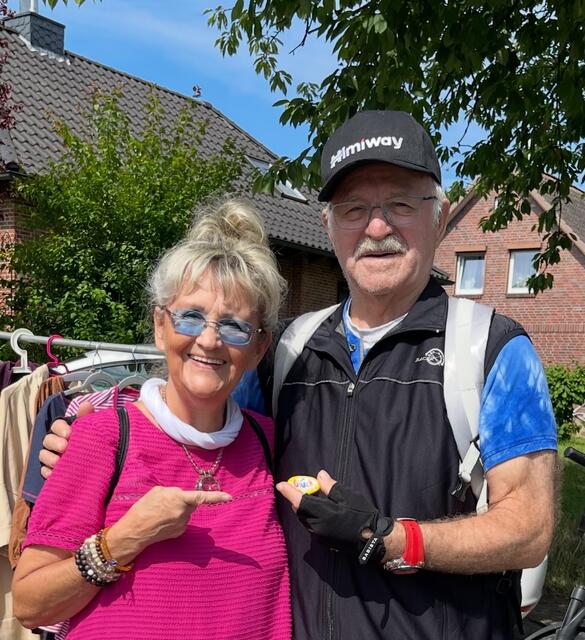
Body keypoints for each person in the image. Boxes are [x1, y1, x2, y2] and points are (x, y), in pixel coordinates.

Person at [40, 111, 557, 640]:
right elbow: (201, 427)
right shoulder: (288, 350)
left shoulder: (489, 348)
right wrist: (93, 444)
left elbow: (528, 529)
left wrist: (389, 538)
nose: (377, 228)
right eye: (354, 209)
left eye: (400, 204)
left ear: (440, 216)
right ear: (328, 225)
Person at [12, 200, 291, 640]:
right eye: (191, 317)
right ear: (161, 326)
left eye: (234, 326)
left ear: (259, 348)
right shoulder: (101, 436)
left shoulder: (273, 445)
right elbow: (30, 604)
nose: (209, 340)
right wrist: (123, 540)